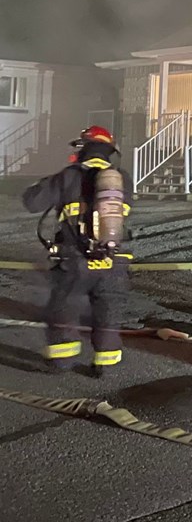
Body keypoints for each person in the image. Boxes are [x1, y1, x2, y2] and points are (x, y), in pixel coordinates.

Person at [22, 126, 133, 377]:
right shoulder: (122, 178)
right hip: (112, 259)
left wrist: (46, 183)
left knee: (65, 306)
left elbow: (31, 201)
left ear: (83, 148)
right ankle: (105, 362)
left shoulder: (68, 175)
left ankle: (62, 361)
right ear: (109, 151)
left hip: (74, 259)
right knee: (108, 308)